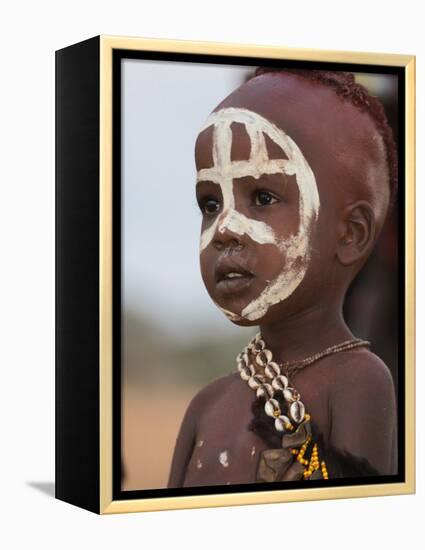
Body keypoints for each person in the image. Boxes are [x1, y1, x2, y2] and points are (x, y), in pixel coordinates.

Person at [167, 68, 398, 488]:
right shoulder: (206, 406)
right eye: (211, 203)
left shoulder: (357, 381)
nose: (225, 229)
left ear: (350, 234)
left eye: (263, 198)